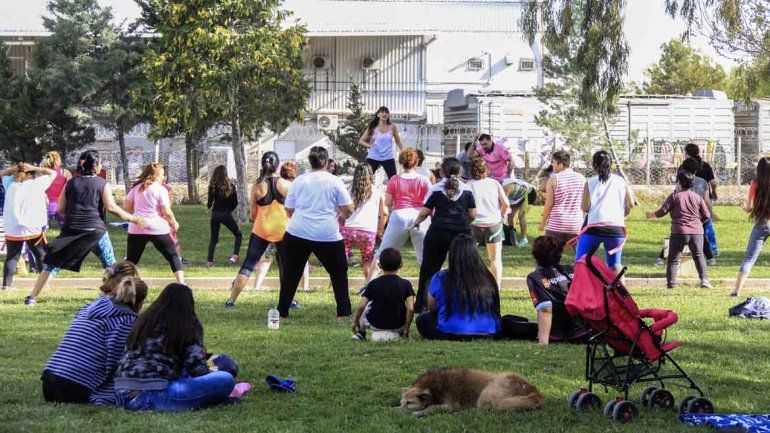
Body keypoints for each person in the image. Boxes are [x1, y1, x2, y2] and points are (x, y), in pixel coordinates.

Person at [25, 150, 145, 306]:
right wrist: (133, 218)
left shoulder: (70, 183)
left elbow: (60, 209)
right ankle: (118, 297)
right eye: (100, 163)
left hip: (71, 231)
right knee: (111, 265)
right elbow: (111, 207)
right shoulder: (102, 184)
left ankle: (32, 297)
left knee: (52, 265)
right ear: (95, 166)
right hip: (95, 232)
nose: (101, 165)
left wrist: (74, 217)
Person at [114, 283, 235, 411]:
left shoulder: (144, 322)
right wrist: (212, 372)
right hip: (153, 395)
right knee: (225, 379)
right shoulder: (188, 324)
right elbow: (197, 370)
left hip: (122, 394)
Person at [42, 273, 147, 405]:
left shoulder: (89, 307)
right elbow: (117, 362)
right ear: (139, 303)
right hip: (73, 387)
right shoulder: (126, 321)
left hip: (49, 381)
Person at [280, 147, 355, 318]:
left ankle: (282, 311)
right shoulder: (335, 181)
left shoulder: (299, 180)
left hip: (297, 232)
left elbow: (289, 208)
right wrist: (341, 215)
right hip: (327, 234)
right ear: (327, 162)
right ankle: (343, 313)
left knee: (291, 274)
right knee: (338, 273)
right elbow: (349, 209)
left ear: (310, 162)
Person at [407, 157, 476, 312]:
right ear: (459, 171)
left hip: (438, 232)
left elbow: (425, 212)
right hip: (461, 234)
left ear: (442, 171)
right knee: (464, 268)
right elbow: (472, 214)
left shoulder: (436, 189)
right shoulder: (467, 189)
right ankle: (465, 303)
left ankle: (422, 305)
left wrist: (415, 223)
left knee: (429, 270)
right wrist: (464, 224)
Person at [226, 152, 292, 307]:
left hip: (261, 230)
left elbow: (252, 214)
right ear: (278, 165)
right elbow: (293, 209)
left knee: (248, 265)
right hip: (283, 231)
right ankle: (290, 301)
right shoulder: (287, 185)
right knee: (286, 267)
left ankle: (231, 301)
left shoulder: (256, 186)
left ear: (263, 165)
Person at [416, 234, 501, 340]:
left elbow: (432, 307)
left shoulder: (440, 277)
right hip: (488, 331)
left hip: (450, 331)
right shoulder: (487, 277)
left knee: (423, 319)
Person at [646, 170, 712, 289]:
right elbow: (707, 215)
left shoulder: (674, 196)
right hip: (697, 232)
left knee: (673, 258)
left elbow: (662, 211)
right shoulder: (697, 197)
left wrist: (652, 214)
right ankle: (704, 280)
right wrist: (698, 224)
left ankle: (671, 283)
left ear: (679, 182)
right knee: (698, 255)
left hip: (679, 231)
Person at [251, 161, 310, 293]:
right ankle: (305, 286)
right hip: (289, 230)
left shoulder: (276, 185)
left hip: (272, 229)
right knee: (300, 259)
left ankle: (256, 286)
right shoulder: (291, 187)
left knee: (267, 258)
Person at [124, 163, 184, 283]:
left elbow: (127, 207)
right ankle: (182, 284)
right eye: (162, 174)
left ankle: (123, 285)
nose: (164, 177)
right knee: (173, 256)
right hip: (157, 228)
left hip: (137, 227)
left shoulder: (136, 188)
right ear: (155, 175)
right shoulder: (161, 189)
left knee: (131, 260)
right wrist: (174, 222)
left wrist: (138, 211)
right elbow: (166, 211)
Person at [576, 150, 635, 271]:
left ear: (594, 165)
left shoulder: (590, 182)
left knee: (580, 261)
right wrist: (623, 216)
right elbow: (630, 204)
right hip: (616, 228)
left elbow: (585, 207)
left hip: (594, 227)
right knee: (615, 265)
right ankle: (619, 283)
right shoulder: (621, 181)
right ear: (611, 164)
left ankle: (583, 282)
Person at [525, 236, 590, 346]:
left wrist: (542, 343)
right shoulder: (572, 269)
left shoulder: (534, 277)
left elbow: (545, 310)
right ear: (558, 254)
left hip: (558, 336)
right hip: (586, 333)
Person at [374, 148, 431, 271]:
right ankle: (428, 284)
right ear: (416, 162)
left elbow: (388, 203)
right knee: (425, 258)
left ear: (401, 162)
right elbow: (430, 203)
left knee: (381, 255)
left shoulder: (394, 179)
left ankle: (370, 282)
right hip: (419, 216)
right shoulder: (424, 180)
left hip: (399, 215)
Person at [1, 163, 56, 290]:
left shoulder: (10, 184)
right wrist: (35, 168)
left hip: (13, 227)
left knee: (12, 256)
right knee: (40, 255)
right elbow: (52, 173)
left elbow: (3, 174)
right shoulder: (37, 184)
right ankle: (44, 285)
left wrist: (14, 168)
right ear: (31, 174)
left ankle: (6, 286)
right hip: (32, 226)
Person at [350, 248, 415, 341]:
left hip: (375, 324)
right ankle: (402, 334)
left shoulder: (373, 283)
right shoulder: (406, 284)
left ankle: (361, 333)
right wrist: (406, 329)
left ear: (379, 265)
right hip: (398, 325)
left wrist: (355, 322)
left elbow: (361, 306)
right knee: (404, 305)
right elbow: (411, 309)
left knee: (367, 305)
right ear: (401, 264)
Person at [467, 158, 509, 289]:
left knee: (469, 258)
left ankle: (471, 286)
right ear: (486, 170)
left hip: (474, 224)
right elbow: (506, 204)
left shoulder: (468, 185)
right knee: (495, 259)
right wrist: (501, 216)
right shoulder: (494, 183)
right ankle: (496, 288)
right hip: (493, 224)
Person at [342, 162, 387, 282]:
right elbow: (385, 213)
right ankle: (369, 286)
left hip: (349, 229)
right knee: (367, 261)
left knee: (341, 260)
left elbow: (342, 209)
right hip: (368, 231)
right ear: (370, 174)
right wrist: (380, 229)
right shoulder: (377, 191)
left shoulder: (349, 189)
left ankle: (336, 286)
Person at [732, 157, 770, 297]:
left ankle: (736, 291)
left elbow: (749, 207)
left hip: (762, 223)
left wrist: (745, 208)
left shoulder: (755, 183)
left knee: (749, 259)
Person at [539, 151, 585, 248]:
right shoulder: (581, 178)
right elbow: (585, 202)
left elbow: (549, 204)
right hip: (576, 224)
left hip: (556, 224)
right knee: (581, 254)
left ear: (560, 165)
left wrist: (542, 224)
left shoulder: (553, 179)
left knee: (550, 253)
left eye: (553, 162)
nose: (552, 165)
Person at [684, 143, 720, 255]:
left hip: (689, 199)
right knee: (707, 224)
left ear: (687, 154)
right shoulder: (705, 165)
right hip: (705, 198)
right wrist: (714, 193)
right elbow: (713, 183)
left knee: (687, 224)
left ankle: (689, 247)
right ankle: (713, 249)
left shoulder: (685, 166)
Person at [205, 165, 242, 268]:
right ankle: (234, 256)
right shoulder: (231, 186)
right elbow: (235, 202)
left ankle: (209, 261)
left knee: (214, 238)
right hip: (226, 214)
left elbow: (210, 201)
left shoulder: (213, 186)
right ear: (226, 173)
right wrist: (229, 210)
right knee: (238, 234)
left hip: (215, 215)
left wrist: (208, 207)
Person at [358, 106, 405, 179]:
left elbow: (398, 141)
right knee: (366, 179)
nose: (384, 114)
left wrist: (404, 150)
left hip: (388, 157)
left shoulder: (392, 127)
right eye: (382, 112)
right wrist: (369, 145)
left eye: (386, 112)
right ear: (378, 115)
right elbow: (361, 141)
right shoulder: (373, 127)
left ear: (388, 115)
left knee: (393, 179)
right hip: (373, 157)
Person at [159, 167, 190, 267]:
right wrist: (173, 221)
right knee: (173, 239)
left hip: (150, 217)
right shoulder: (167, 188)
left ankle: (128, 258)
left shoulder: (147, 187)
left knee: (140, 240)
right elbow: (168, 205)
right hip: (164, 217)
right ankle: (179, 259)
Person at [41, 151, 72, 227]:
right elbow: (71, 189)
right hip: (61, 208)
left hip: (45, 208)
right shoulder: (65, 172)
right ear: (58, 160)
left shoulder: (42, 173)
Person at [502, 177, 535, 247]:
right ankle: (513, 237)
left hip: (529, 193)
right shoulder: (499, 188)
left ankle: (524, 239)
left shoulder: (506, 187)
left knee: (521, 216)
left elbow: (504, 206)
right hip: (517, 196)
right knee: (511, 216)